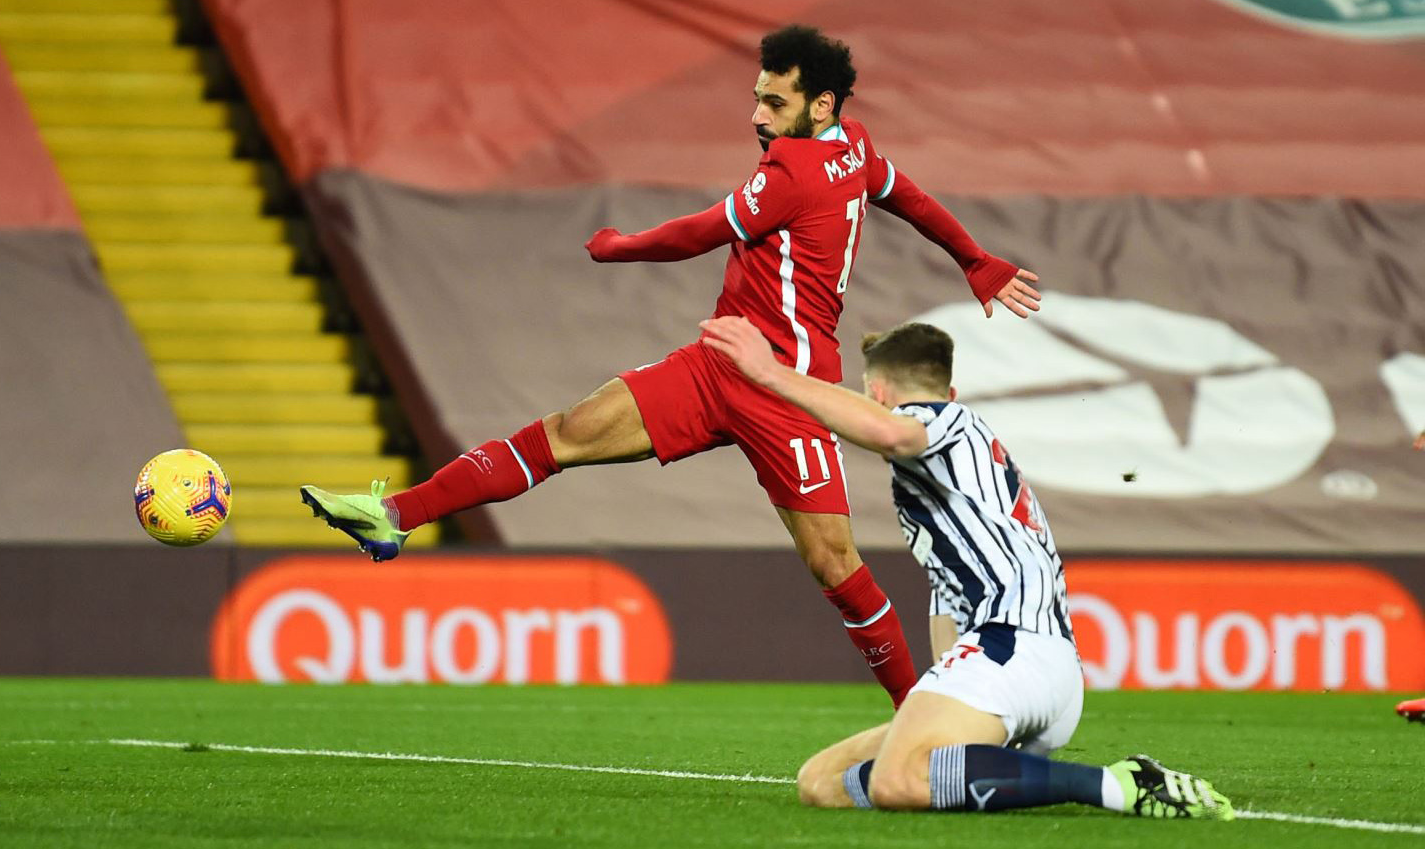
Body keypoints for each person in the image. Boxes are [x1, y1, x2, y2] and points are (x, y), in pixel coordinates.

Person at [299, 25, 1041, 707]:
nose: (756, 115)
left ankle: (919, 715)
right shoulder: (853, 147)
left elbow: (699, 232)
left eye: (773, 102)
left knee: (834, 564)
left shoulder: (793, 170)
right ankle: (395, 515)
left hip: (788, 388)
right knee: (572, 428)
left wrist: (621, 248)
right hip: (718, 363)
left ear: (820, 105)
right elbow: (903, 192)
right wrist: (972, 258)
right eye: (755, 97)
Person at [699, 315, 1234, 819]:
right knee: (822, 782)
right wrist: (928, 710)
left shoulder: (945, 420)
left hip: (1015, 651)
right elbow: (946, 617)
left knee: (896, 781)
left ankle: (1120, 783)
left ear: (878, 394)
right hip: (1019, 664)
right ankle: (994, 771)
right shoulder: (949, 500)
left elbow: (891, 434)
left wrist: (769, 372)